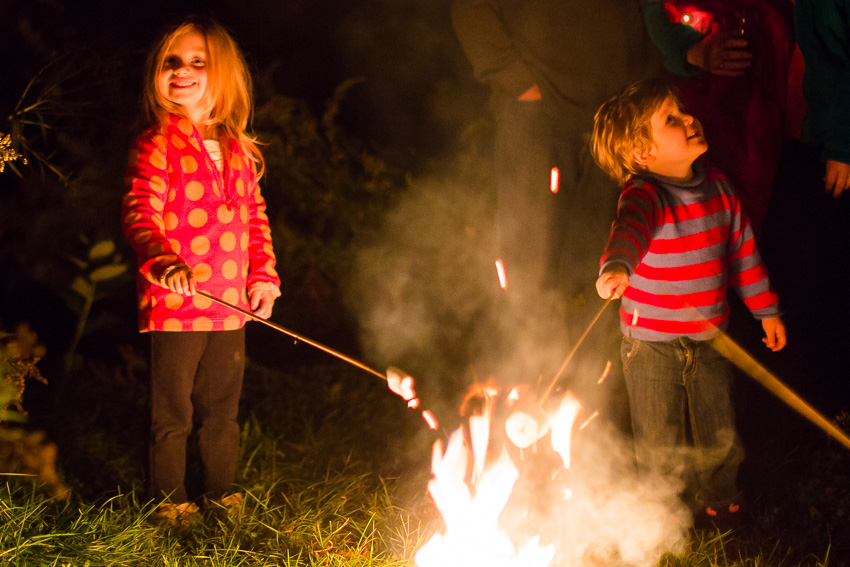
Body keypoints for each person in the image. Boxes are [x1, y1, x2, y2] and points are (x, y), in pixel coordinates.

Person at [590, 79, 787, 529]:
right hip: (650, 345)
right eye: (671, 120)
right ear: (643, 154)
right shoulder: (646, 195)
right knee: (658, 436)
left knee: (718, 428)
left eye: (681, 111)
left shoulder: (718, 187)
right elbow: (630, 229)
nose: (689, 119)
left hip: (710, 338)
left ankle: (722, 502)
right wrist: (617, 266)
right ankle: (658, 513)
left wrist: (767, 310)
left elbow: (744, 255)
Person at [121, 18, 280, 525]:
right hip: (176, 308)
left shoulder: (239, 147)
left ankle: (221, 492)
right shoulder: (156, 144)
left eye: (197, 62)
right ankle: (168, 500)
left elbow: (256, 220)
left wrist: (264, 279)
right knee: (173, 414)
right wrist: (162, 259)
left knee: (222, 411)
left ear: (223, 75)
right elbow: (140, 210)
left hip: (229, 309)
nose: (181, 71)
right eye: (172, 62)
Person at [643, 0, 795, 236]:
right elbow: (655, 9)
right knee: (698, 202)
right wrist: (689, 50)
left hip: (771, 83)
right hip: (705, 87)